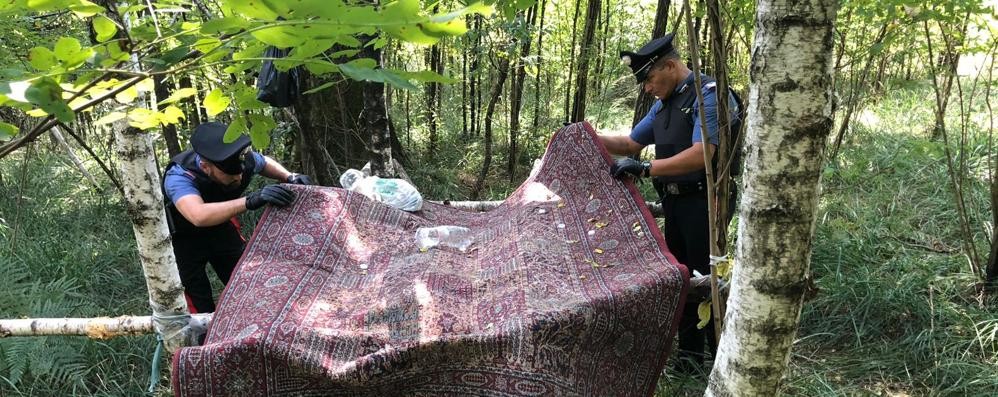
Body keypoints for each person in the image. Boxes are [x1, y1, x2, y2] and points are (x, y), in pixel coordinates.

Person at [598, 33, 740, 374]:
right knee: (682, 279)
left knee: (708, 281)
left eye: (649, 78)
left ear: (671, 65)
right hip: (676, 204)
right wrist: (585, 134)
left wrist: (648, 169)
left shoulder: (709, 96)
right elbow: (631, 143)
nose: (647, 88)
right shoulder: (665, 105)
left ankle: (720, 360)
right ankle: (688, 362)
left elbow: (703, 153)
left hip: (707, 202)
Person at [162, 121, 314, 313]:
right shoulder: (180, 176)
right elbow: (198, 215)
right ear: (206, 167)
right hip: (184, 242)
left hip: (222, 230)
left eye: (241, 173)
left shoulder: (242, 159)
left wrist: (289, 176)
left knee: (250, 284)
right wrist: (250, 201)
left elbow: (264, 162)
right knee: (198, 306)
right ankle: (202, 340)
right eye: (231, 176)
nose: (239, 178)